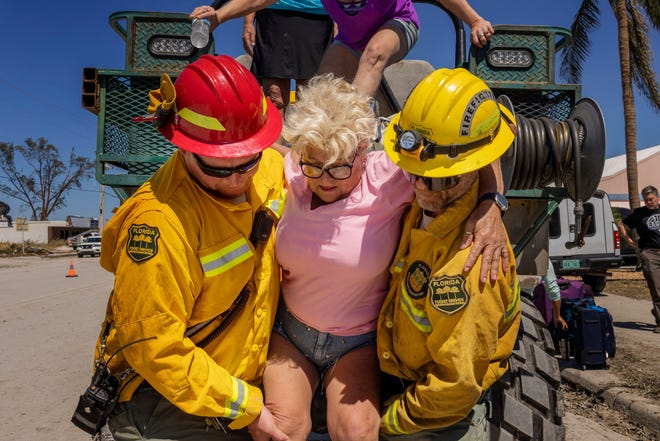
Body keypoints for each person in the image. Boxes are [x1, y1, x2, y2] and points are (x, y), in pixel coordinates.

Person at [261, 72, 510, 441]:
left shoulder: (389, 177)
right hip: (291, 334)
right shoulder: (295, 170)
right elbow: (249, 150)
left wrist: (492, 204)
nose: (325, 179)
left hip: (356, 343)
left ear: (363, 149)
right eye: (314, 165)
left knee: (359, 433)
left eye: (339, 167)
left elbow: (473, 150)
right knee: (283, 429)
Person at [88, 55, 289, 441]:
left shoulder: (264, 167)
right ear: (182, 147)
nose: (237, 177)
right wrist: (248, 407)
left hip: (230, 382)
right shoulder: (159, 223)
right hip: (165, 398)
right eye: (219, 166)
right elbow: (156, 348)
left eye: (248, 159)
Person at [377, 67, 521, 438]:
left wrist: (389, 423)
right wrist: (492, 198)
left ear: (473, 169)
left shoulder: (469, 266)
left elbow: (455, 386)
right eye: (414, 172)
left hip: (428, 410)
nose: (425, 188)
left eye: (443, 178)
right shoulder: (431, 200)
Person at [191, 0, 494, 99]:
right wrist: (219, 16)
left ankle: (354, 137)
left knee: (374, 54)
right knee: (319, 93)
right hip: (350, 39)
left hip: (399, 24)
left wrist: (474, 20)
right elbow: (259, 1)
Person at [241, 1, 334, 118]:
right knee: (274, 95)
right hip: (271, 12)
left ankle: (306, 135)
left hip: (317, 15)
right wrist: (248, 21)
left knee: (310, 97)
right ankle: (275, 135)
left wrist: (340, 22)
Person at [617, 185, 660, 333]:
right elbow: (621, 223)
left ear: (657, 197)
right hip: (650, 253)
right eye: (646, 200)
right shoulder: (639, 213)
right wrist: (628, 240)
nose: (649, 202)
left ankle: (657, 310)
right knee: (656, 288)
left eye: (651, 199)